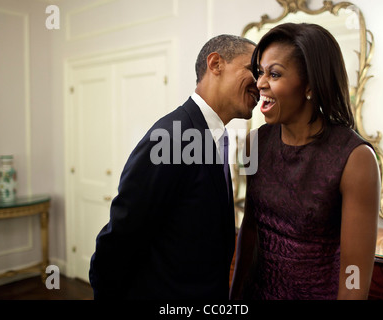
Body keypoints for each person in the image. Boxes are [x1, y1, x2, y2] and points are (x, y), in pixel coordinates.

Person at [89, 34, 259, 299]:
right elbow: (121, 238)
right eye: (253, 70)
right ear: (215, 64)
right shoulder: (172, 137)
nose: (260, 83)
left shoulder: (216, 137)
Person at [230, 23, 380, 300]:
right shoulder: (255, 142)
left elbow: (354, 271)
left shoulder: (356, 159)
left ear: (310, 83)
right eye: (260, 72)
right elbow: (250, 230)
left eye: (274, 74)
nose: (260, 83)